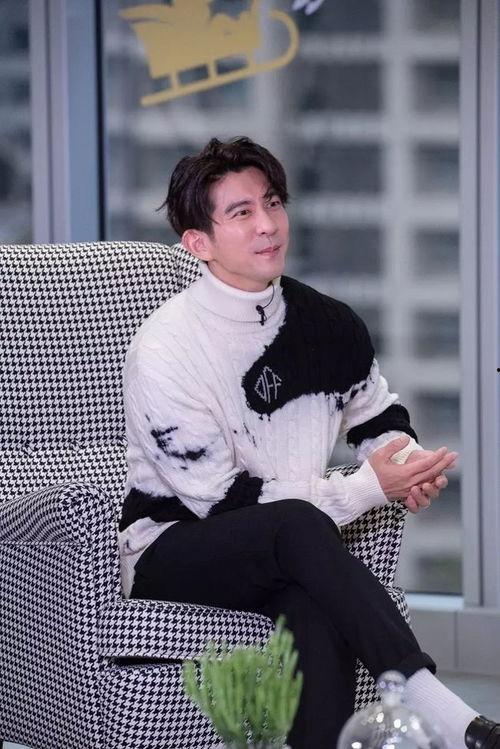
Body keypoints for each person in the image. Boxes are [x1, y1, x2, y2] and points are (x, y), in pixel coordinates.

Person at [118, 136, 500, 749]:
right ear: (198, 243)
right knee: (298, 528)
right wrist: (368, 488)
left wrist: (405, 464)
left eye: (273, 203)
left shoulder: (327, 321)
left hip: (291, 546)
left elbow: (376, 414)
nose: (268, 225)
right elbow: (222, 501)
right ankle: (439, 711)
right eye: (242, 212)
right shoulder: (166, 349)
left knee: (314, 602)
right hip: (176, 548)